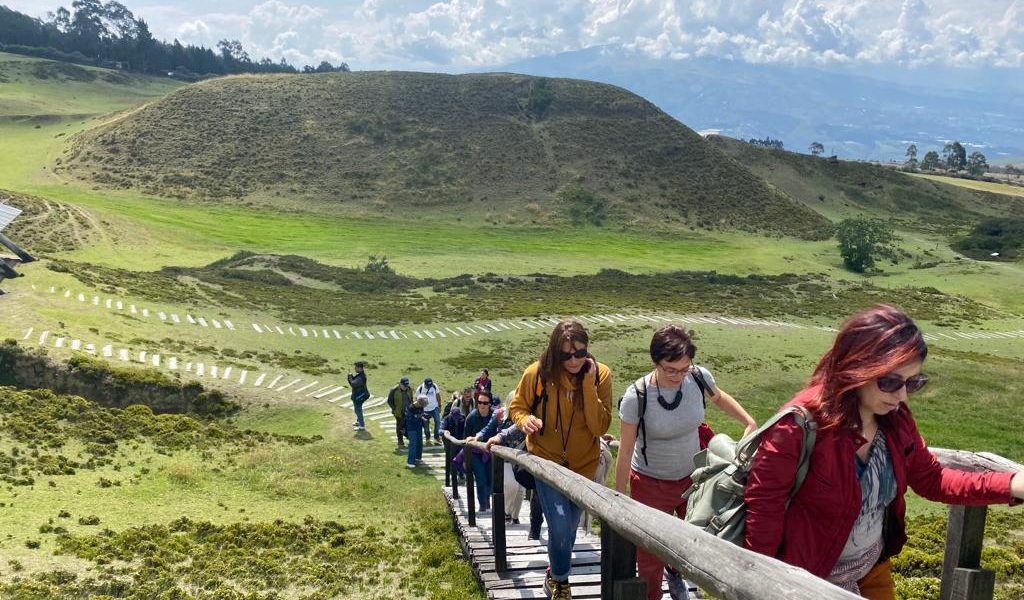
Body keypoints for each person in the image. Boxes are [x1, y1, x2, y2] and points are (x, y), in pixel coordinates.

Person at [745, 305, 1024, 598]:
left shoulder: (896, 420)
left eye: (913, 382)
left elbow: (933, 479)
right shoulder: (798, 426)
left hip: (872, 570)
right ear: (857, 367)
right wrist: (761, 588)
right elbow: (764, 511)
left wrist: (1011, 484)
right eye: (890, 382)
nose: (902, 396)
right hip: (810, 581)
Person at [615, 325, 757, 600]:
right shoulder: (638, 396)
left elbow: (719, 397)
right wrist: (620, 498)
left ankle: (676, 572)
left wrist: (748, 421)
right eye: (670, 369)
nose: (679, 376)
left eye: (684, 368)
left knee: (695, 542)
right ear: (655, 362)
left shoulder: (698, 377)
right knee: (648, 560)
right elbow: (626, 449)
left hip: (693, 482)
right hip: (650, 483)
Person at [509, 319, 612, 600]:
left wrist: (589, 386)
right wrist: (525, 419)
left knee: (567, 530)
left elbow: (600, 427)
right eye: (566, 355)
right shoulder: (537, 373)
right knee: (561, 527)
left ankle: (553, 573)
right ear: (555, 351)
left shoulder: (600, 375)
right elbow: (517, 405)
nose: (574, 360)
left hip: (584, 466)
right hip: (547, 463)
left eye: (580, 353)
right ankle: (562, 583)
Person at [464, 389, 496, 512]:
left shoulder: (494, 416)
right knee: (481, 479)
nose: (482, 405)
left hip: (491, 453)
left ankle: (487, 502)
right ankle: (482, 505)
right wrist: (465, 459)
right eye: (479, 402)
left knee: (490, 479)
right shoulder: (471, 417)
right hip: (475, 453)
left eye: (485, 403)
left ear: (490, 404)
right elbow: (465, 438)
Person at [441, 403, 467, 482]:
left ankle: (461, 473)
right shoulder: (446, 419)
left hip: (460, 442)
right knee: (450, 459)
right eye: (455, 417)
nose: (456, 419)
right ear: (451, 414)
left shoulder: (463, 418)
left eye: (457, 416)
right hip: (449, 443)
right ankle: (451, 476)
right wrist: (445, 431)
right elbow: (440, 430)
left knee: (460, 458)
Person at [386, 376, 413, 449]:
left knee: (408, 426)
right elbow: (389, 401)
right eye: (404, 385)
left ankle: (410, 438)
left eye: (406, 386)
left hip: (408, 411)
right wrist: (394, 409)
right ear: (400, 384)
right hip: (399, 412)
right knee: (400, 426)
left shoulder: (409, 389)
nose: (405, 387)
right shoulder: (394, 390)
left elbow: (411, 399)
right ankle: (400, 441)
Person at [404, 393, 427, 469]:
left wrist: (423, 418)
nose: (423, 407)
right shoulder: (410, 408)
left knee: (419, 443)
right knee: (413, 444)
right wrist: (418, 416)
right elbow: (410, 419)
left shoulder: (421, 407)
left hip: (419, 427)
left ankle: (417, 457)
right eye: (422, 405)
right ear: (418, 402)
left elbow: (421, 414)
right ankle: (410, 462)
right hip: (411, 428)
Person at [416, 377, 443, 444]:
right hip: (424, 410)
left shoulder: (434, 386)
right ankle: (428, 438)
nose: (429, 387)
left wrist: (439, 405)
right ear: (424, 384)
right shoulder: (420, 389)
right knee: (426, 425)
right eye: (428, 386)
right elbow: (416, 400)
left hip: (434, 408)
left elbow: (438, 395)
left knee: (438, 422)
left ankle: (436, 438)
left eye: (430, 386)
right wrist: (419, 410)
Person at [347, 362, 369, 431]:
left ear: (360, 368)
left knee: (358, 409)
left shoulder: (361, 377)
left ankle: (362, 425)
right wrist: (350, 377)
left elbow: (353, 384)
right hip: (359, 394)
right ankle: (359, 421)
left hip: (360, 395)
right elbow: (352, 383)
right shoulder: (359, 375)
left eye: (356, 367)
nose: (355, 368)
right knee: (357, 409)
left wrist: (350, 377)